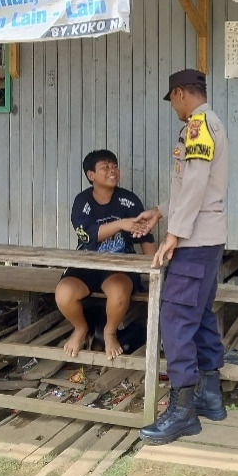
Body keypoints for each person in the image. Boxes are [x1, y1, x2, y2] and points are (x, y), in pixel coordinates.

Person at [132, 68, 229, 445]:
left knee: (174, 317)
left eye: (171, 100)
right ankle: (209, 395)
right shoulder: (211, 123)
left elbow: (195, 183)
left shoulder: (198, 125)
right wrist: (159, 210)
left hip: (195, 240)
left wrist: (172, 234)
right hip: (206, 236)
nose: (173, 106)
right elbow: (192, 187)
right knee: (199, 313)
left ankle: (183, 410)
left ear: (179, 94)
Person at [56, 149, 154, 360]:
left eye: (114, 166)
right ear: (91, 175)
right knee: (63, 293)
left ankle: (109, 332)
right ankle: (80, 328)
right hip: (86, 263)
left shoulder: (129, 201)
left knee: (119, 291)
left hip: (119, 266)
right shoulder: (82, 202)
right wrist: (121, 224)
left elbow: (145, 237)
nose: (112, 171)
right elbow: (89, 236)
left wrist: (155, 271)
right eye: (105, 167)